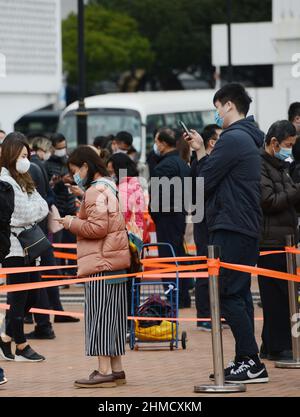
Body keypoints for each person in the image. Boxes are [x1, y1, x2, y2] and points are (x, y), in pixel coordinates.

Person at [184, 83, 269, 384]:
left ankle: (250, 360)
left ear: (229, 105)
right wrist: (201, 152)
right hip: (243, 224)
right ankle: (246, 359)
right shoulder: (249, 137)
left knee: (228, 293)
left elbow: (203, 183)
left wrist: (200, 156)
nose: (217, 114)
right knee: (239, 293)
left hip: (231, 224)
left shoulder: (232, 139)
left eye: (218, 107)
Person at [58, 146, 130, 388]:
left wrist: (71, 222)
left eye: (75, 169)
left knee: (100, 316)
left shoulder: (94, 191)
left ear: (86, 167)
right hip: (115, 261)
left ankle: (104, 370)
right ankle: (116, 368)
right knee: (115, 318)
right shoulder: (110, 186)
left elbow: (97, 229)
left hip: (100, 263)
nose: (75, 174)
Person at [0, 132, 48, 362]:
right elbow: (24, 214)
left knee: (33, 295)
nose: (26, 159)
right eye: (22, 155)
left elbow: (43, 206)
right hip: (14, 248)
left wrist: (33, 209)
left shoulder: (24, 178)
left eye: (27, 155)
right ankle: (21, 344)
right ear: (11, 155)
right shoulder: (5, 182)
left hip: (30, 245)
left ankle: (7, 337)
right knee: (19, 298)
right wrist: (33, 209)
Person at [258, 120, 299, 361]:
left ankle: (270, 344)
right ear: (274, 143)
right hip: (269, 242)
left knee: (284, 295)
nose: (289, 150)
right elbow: (269, 200)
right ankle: (280, 346)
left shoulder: (281, 166)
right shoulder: (259, 165)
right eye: (287, 145)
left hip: (285, 239)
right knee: (275, 297)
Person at [150, 127, 191, 308]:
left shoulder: (164, 166)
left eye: (157, 141)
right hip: (179, 214)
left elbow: (157, 196)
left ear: (164, 144)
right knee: (178, 254)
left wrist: (155, 214)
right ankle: (182, 296)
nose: (156, 145)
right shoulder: (182, 163)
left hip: (167, 216)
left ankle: (174, 296)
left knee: (167, 257)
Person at [107, 153, 145, 334]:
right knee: (133, 280)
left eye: (111, 167)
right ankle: (132, 321)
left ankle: (127, 323)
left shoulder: (123, 187)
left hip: (126, 237)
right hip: (137, 236)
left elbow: (120, 213)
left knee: (126, 282)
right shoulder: (135, 183)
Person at [191, 124, 222, 331]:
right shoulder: (200, 164)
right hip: (203, 220)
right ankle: (204, 315)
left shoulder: (211, 162)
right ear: (211, 141)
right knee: (205, 264)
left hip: (210, 219)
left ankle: (216, 313)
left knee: (214, 266)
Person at [45, 133, 77, 281]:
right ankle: (59, 274)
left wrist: (73, 180)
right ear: (53, 148)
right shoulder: (47, 164)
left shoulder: (70, 160)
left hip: (70, 205)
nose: (62, 150)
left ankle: (72, 272)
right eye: (59, 148)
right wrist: (58, 182)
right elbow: (47, 187)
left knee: (71, 241)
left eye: (64, 147)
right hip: (57, 208)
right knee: (58, 243)